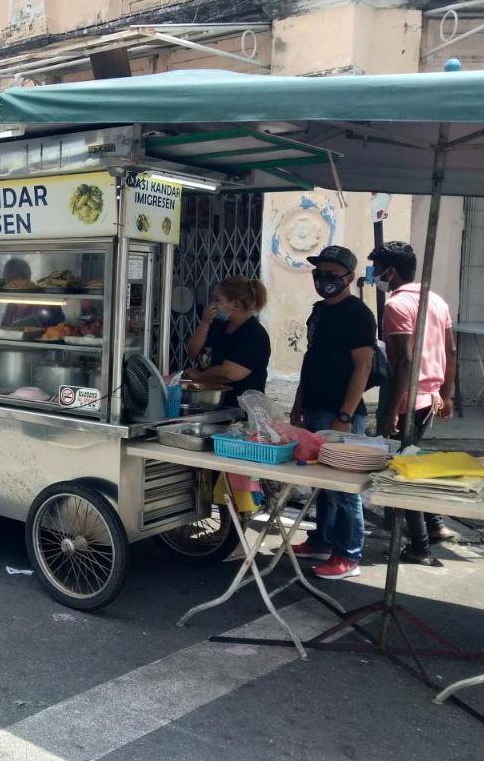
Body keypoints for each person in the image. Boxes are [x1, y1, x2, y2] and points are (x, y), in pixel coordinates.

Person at [369, 241, 458, 565]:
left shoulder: (396, 307)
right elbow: (451, 351)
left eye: (377, 269)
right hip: (430, 396)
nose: (375, 275)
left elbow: (404, 361)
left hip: (408, 398)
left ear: (390, 271)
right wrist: (446, 395)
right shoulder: (436, 300)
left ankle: (420, 546)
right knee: (409, 460)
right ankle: (434, 526)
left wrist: (393, 410)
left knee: (400, 471)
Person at [290, 245, 376, 581]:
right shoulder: (319, 311)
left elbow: (363, 367)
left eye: (331, 275)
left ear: (349, 278)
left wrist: (345, 414)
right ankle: (322, 540)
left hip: (341, 413)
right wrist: (299, 402)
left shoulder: (357, 315)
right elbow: (310, 361)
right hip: (315, 406)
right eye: (318, 274)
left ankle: (348, 553)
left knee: (343, 486)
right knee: (322, 481)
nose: (323, 280)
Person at [184, 276, 271, 405]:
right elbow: (192, 352)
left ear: (235, 304)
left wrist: (199, 378)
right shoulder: (217, 325)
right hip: (208, 403)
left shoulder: (254, 334)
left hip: (238, 409)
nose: (212, 304)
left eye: (217, 300)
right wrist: (204, 323)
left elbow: (228, 373)